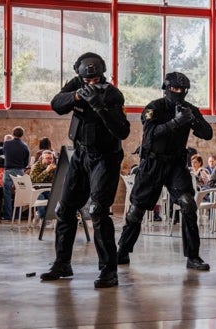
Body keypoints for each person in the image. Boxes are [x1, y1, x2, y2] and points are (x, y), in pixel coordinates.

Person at [40, 52, 129, 288]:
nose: (92, 83)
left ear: (103, 74)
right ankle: (62, 263)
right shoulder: (77, 85)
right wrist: (77, 95)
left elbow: (123, 131)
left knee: (98, 210)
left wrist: (100, 107)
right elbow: (56, 104)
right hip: (80, 154)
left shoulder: (111, 93)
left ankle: (109, 270)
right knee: (65, 208)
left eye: (95, 79)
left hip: (105, 157)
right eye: (87, 80)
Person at [117, 71, 212, 271]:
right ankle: (123, 251)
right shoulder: (154, 107)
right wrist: (175, 122)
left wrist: (193, 119)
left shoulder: (189, 108)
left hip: (176, 164)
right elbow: (150, 136)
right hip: (152, 163)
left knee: (187, 204)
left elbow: (208, 133)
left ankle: (193, 256)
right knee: (136, 210)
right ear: (167, 89)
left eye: (182, 90)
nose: (178, 92)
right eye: (175, 89)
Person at [2, 126, 30, 221]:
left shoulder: (7, 144)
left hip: (8, 170)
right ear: (22, 135)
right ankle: (17, 215)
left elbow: (4, 155)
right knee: (19, 193)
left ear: (13, 133)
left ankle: (8, 216)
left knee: (7, 194)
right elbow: (27, 162)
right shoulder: (25, 146)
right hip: (20, 171)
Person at [30, 150, 56, 223]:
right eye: (47, 158)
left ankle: (52, 217)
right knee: (41, 197)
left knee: (56, 196)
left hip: (47, 189)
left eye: (51, 158)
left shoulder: (52, 167)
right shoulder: (35, 167)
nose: (49, 160)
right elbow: (35, 181)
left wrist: (55, 171)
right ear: (42, 158)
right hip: (36, 190)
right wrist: (46, 171)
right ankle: (44, 218)